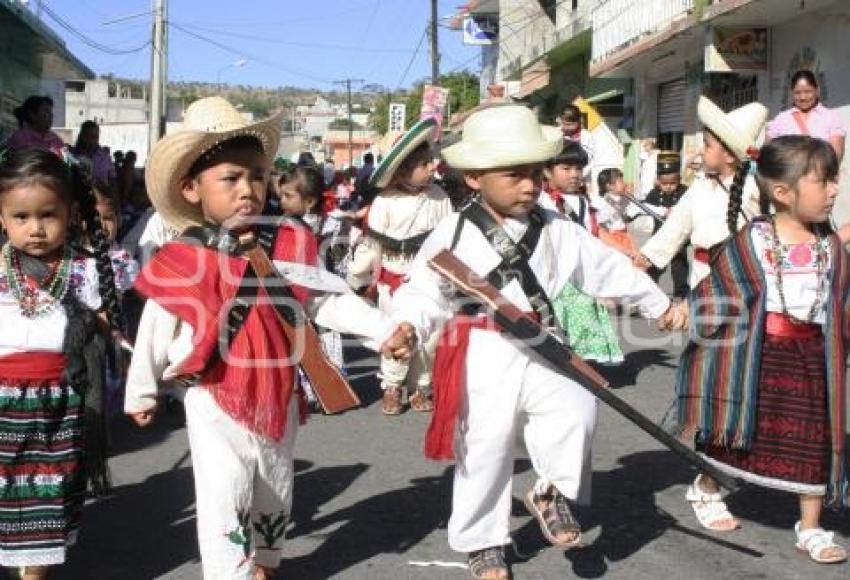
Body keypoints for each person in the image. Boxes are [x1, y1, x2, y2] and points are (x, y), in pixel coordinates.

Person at [381, 105, 683, 580]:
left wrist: (655, 304)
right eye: (513, 175)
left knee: (578, 413)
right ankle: (483, 542)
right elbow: (423, 291)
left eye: (534, 174)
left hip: (547, 342)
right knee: (485, 446)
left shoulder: (559, 228)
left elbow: (606, 267)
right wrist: (407, 326)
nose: (529, 186)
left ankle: (550, 491)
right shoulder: (454, 232)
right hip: (482, 351)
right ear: (476, 178)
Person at [124, 97, 397, 580]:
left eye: (255, 174)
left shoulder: (289, 239)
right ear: (191, 188)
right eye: (230, 178)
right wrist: (143, 389)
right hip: (212, 391)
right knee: (223, 491)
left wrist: (384, 329)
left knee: (274, 484)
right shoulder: (183, 257)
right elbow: (155, 326)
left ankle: (266, 564)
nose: (246, 188)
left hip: (278, 390)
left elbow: (322, 301)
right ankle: (230, 572)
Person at [677, 135, 847, 564]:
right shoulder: (751, 241)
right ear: (782, 192)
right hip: (755, 353)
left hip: (813, 356)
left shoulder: (832, 245)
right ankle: (708, 485)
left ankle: (810, 527)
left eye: (835, 180)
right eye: (824, 181)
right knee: (737, 427)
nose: (834, 190)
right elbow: (719, 289)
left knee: (815, 439)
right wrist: (686, 311)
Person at [0, 149, 129, 577]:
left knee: (44, 502)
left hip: (60, 404)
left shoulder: (86, 270)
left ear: (72, 213)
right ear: (2, 218)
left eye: (47, 215)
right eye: (20, 217)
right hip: (2, 403)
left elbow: (112, 326)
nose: (34, 228)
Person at [346, 118, 453, 415]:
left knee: (429, 339)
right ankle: (392, 386)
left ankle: (421, 386)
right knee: (396, 334)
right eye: (424, 163)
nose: (433, 167)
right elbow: (371, 246)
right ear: (403, 168)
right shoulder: (384, 202)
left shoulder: (440, 198)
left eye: (432, 161)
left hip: (431, 282)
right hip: (393, 282)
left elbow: (448, 242)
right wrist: (357, 277)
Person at [634, 96, 768, 291]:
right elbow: (676, 226)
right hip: (701, 277)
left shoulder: (754, 189)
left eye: (707, 145)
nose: (701, 150)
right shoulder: (700, 186)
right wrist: (647, 257)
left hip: (741, 279)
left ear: (729, 155)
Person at [542, 141, 623, 364]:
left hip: (585, 272)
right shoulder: (543, 202)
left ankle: (580, 367)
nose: (574, 175)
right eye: (566, 169)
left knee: (585, 322)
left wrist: (623, 252)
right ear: (547, 172)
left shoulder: (586, 202)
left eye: (578, 169)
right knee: (562, 324)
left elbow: (595, 233)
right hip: (558, 275)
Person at [767, 70, 846, 161]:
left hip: (821, 174)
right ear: (792, 93)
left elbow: (836, 157)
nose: (803, 97)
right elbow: (768, 154)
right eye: (798, 93)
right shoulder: (781, 120)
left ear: (817, 90)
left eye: (808, 91)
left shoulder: (831, 118)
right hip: (787, 174)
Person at [644, 152, 690, 299]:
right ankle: (650, 291)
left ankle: (682, 292)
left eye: (672, 183)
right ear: (658, 181)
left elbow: (690, 208)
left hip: (678, 236)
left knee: (679, 267)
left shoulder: (684, 192)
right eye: (664, 184)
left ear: (679, 180)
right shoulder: (654, 194)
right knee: (655, 264)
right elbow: (647, 207)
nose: (669, 187)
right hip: (660, 235)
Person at [595, 167, 638, 257]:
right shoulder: (602, 203)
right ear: (610, 186)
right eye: (621, 181)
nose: (624, 184)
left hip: (625, 235)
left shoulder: (624, 199)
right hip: (612, 237)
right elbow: (601, 226)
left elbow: (639, 207)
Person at [72, 121, 116, 187]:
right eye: (89, 136)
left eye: (95, 137)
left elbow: (112, 178)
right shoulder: (71, 156)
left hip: (102, 194)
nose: (92, 140)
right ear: (81, 136)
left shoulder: (105, 156)